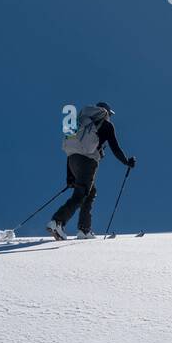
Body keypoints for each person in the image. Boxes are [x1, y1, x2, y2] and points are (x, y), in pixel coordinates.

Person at [48, 101, 136, 240]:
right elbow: (115, 148)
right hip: (87, 161)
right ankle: (58, 221)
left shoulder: (82, 122)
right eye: (109, 114)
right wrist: (127, 162)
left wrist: (70, 177)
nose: (110, 117)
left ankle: (84, 229)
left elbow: (73, 150)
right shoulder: (106, 125)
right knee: (82, 193)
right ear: (106, 112)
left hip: (73, 160)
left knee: (90, 191)